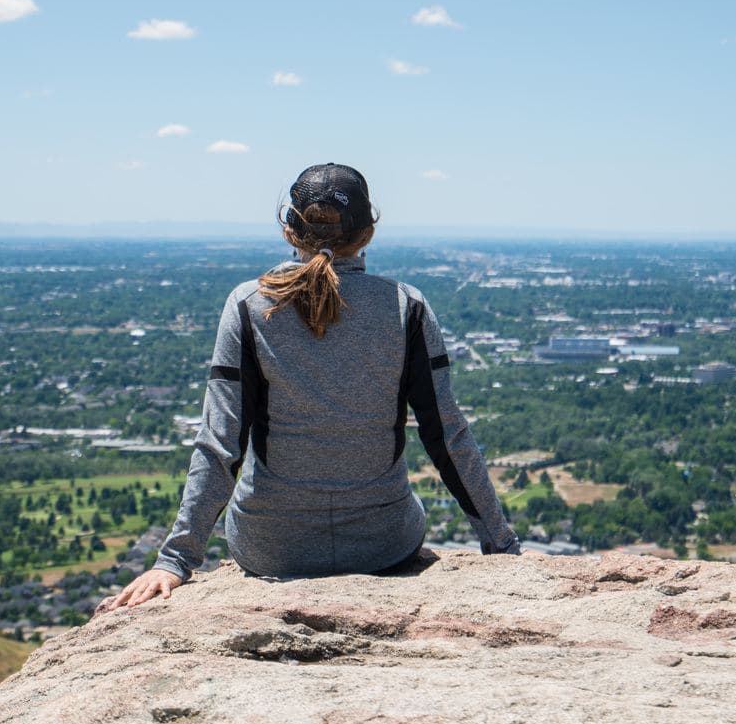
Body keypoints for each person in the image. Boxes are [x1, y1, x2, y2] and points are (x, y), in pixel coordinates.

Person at [98, 163, 521, 613]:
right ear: (367, 233)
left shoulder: (249, 303)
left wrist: (176, 559)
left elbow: (220, 442)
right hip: (382, 545)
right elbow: (447, 435)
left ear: (288, 230)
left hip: (272, 548)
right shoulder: (405, 306)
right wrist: (501, 545)